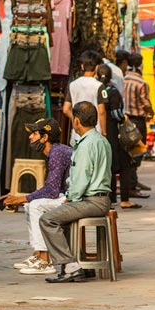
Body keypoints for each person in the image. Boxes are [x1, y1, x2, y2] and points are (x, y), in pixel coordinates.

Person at [38, 102, 113, 283]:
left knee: (47, 219)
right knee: (63, 219)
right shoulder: (102, 140)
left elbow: (81, 178)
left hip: (91, 200)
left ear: (77, 121)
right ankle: (79, 263)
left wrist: (71, 198)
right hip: (101, 198)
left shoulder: (86, 145)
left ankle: (71, 266)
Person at [3, 118, 72, 276]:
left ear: (45, 137)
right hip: (63, 195)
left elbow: (51, 191)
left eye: (34, 134)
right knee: (30, 205)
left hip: (71, 198)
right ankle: (38, 254)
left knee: (34, 205)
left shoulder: (58, 153)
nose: (30, 137)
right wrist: (25, 199)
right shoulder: (54, 152)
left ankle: (45, 259)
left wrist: (21, 198)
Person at [98, 65, 140, 210]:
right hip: (114, 133)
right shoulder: (112, 91)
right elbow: (116, 114)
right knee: (125, 165)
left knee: (107, 166)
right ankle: (125, 199)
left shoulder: (98, 89)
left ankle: (110, 198)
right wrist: (124, 119)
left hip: (100, 132)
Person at [122, 52, 154, 195]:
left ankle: (132, 181)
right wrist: (151, 112)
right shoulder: (141, 83)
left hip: (125, 119)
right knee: (138, 151)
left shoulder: (123, 79)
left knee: (127, 151)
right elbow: (145, 103)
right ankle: (131, 185)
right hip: (137, 120)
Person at [63, 51, 102, 144]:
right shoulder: (99, 86)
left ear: (82, 66)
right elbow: (102, 112)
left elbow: (65, 109)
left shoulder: (73, 85)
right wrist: (104, 132)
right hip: (95, 133)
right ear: (97, 67)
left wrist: (78, 119)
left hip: (76, 133)